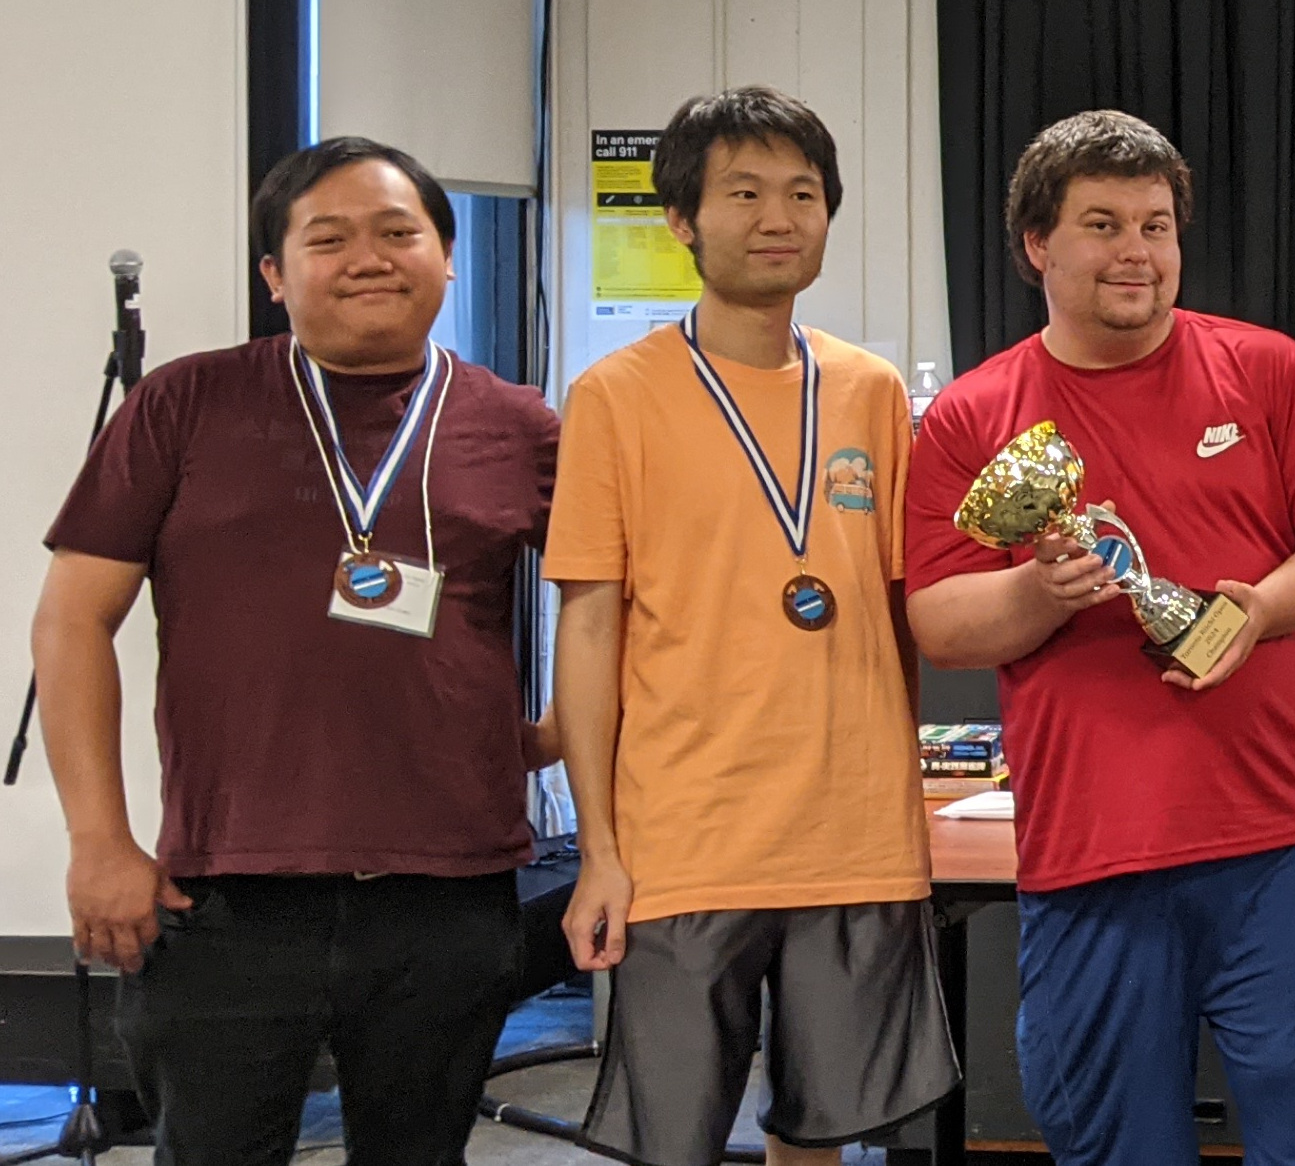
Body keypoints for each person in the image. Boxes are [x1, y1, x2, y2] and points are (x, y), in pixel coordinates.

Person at [33, 138, 559, 1166]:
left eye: (398, 232)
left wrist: (556, 735)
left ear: (447, 258)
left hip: (447, 897)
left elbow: (612, 609)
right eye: (329, 239)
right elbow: (70, 620)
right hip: (227, 896)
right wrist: (99, 842)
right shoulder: (183, 406)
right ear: (275, 276)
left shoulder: (520, 426)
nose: (368, 257)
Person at [902, 109, 1295, 1166]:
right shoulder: (969, 418)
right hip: (1090, 858)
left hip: (1276, 840)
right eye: (1103, 224)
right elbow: (939, 620)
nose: (1138, 251)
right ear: (1039, 244)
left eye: (1157, 225)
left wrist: (1259, 609)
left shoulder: (1265, 372)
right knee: (1117, 1150)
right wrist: (1041, 593)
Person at [546, 86, 954, 1166]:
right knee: (671, 1139)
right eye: (744, 192)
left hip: (853, 838)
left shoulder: (869, 392)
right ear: (682, 220)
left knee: (819, 1137)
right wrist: (598, 850)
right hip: (687, 836)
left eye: (803, 193)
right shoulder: (614, 397)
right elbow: (588, 631)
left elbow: (913, 609)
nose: (778, 216)